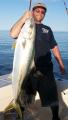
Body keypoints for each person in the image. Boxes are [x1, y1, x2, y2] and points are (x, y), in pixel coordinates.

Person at [10, 2, 65, 120]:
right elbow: (12, 33)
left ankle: (55, 117)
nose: (40, 13)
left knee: (52, 97)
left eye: (43, 12)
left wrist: (60, 62)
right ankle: (20, 115)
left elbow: (54, 46)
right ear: (33, 11)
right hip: (27, 72)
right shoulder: (24, 26)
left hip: (45, 70)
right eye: (37, 10)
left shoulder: (47, 29)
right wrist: (24, 18)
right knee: (24, 97)